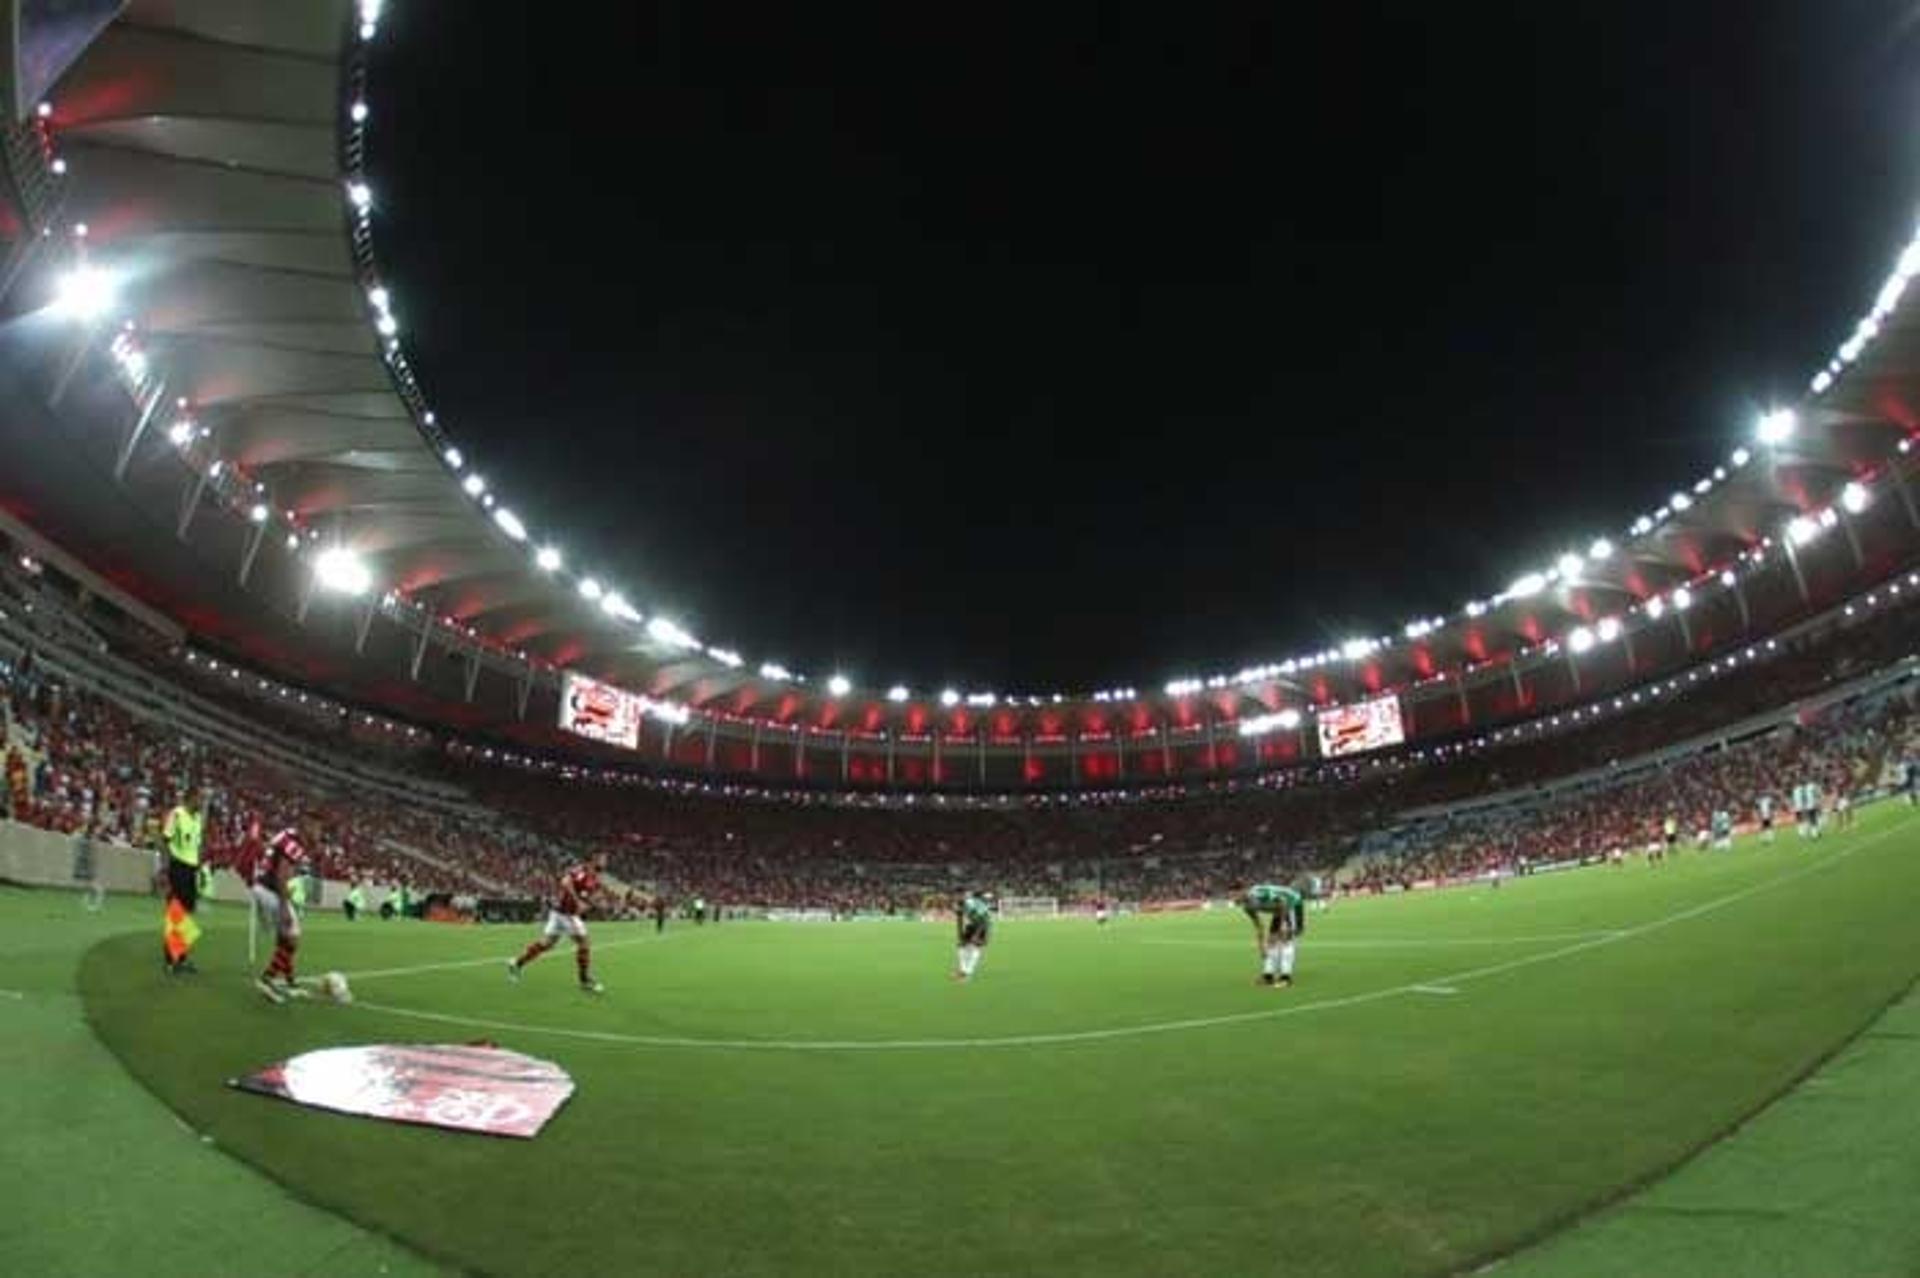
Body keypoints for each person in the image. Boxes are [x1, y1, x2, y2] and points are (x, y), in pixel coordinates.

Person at [507, 855, 606, 994]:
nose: (605, 861)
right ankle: (584, 981)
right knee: (584, 943)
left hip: (560, 914)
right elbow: (565, 882)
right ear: (592, 861)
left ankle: (516, 963)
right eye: (602, 858)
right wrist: (578, 901)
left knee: (546, 944)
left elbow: (588, 895)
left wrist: (589, 903)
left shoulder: (594, 878)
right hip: (566, 914)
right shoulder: (581, 871)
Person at [252, 814, 315, 1004]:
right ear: (307, 825)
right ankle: (267, 979)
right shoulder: (294, 844)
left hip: (262, 886)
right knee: (293, 935)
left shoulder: (285, 834)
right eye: (316, 827)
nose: (318, 833)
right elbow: (281, 875)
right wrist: (284, 908)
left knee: (285, 939)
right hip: (270, 890)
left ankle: (289, 981)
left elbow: (270, 854)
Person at [160, 785, 207, 974]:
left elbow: (196, 846)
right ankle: (171, 961)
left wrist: (200, 868)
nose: (202, 803)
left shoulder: (197, 819)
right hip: (177, 866)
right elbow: (165, 840)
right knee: (176, 913)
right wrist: (165, 868)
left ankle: (181, 957)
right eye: (199, 798)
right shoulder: (176, 814)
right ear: (191, 798)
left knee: (186, 915)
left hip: (190, 870)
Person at [1239, 882, 1305, 987]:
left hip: (1292, 903)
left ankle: (1286, 978)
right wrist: (1261, 946)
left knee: (1286, 939)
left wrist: (1283, 925)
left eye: (1235, 893)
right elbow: (1259, 926)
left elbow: (1283, 902)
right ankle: (1268, 976)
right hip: (1278, 910)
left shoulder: (1259, 894)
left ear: (1243, 890)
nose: (1233, 897)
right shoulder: (1247, 907)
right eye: (1230, 895)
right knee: (1271, 941)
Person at [953, 890, 993, 982]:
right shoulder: (959, 905)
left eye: (960, 895)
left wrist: (977, 936)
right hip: (972, 924)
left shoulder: (972, 906)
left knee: (975, 946)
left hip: (983, 924)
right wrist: (960, 935)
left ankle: (968, 973)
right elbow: (959, 920)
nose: (958, 897)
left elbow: (983, 922)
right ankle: (963, 970)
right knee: (961, 945)